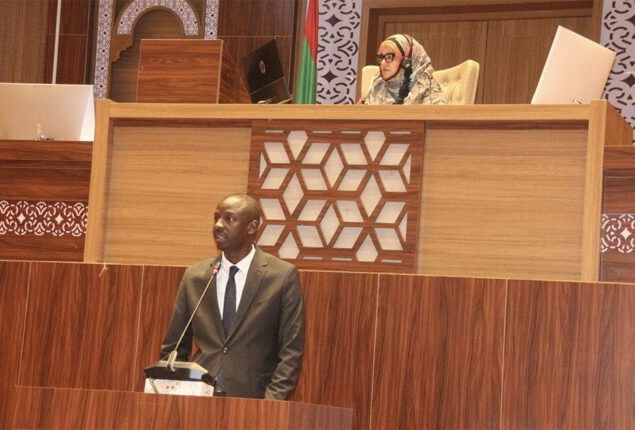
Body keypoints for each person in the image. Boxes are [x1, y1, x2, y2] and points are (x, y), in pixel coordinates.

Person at [159, 193, 305, 399]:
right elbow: (174, 347)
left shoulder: (281, 276)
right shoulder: (195, 276)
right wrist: (179, 396)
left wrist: (271, 403)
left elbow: (291, 350)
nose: (218, 225)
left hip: (255, 400)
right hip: (198, 399)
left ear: (252, 227)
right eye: (216, 218)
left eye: (229, 218)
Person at [360, 33, 447, 105]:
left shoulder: (430, 93)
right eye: (381, 58)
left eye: (389, 57)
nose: (383, 63)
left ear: (407, 61)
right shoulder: (377, 86)